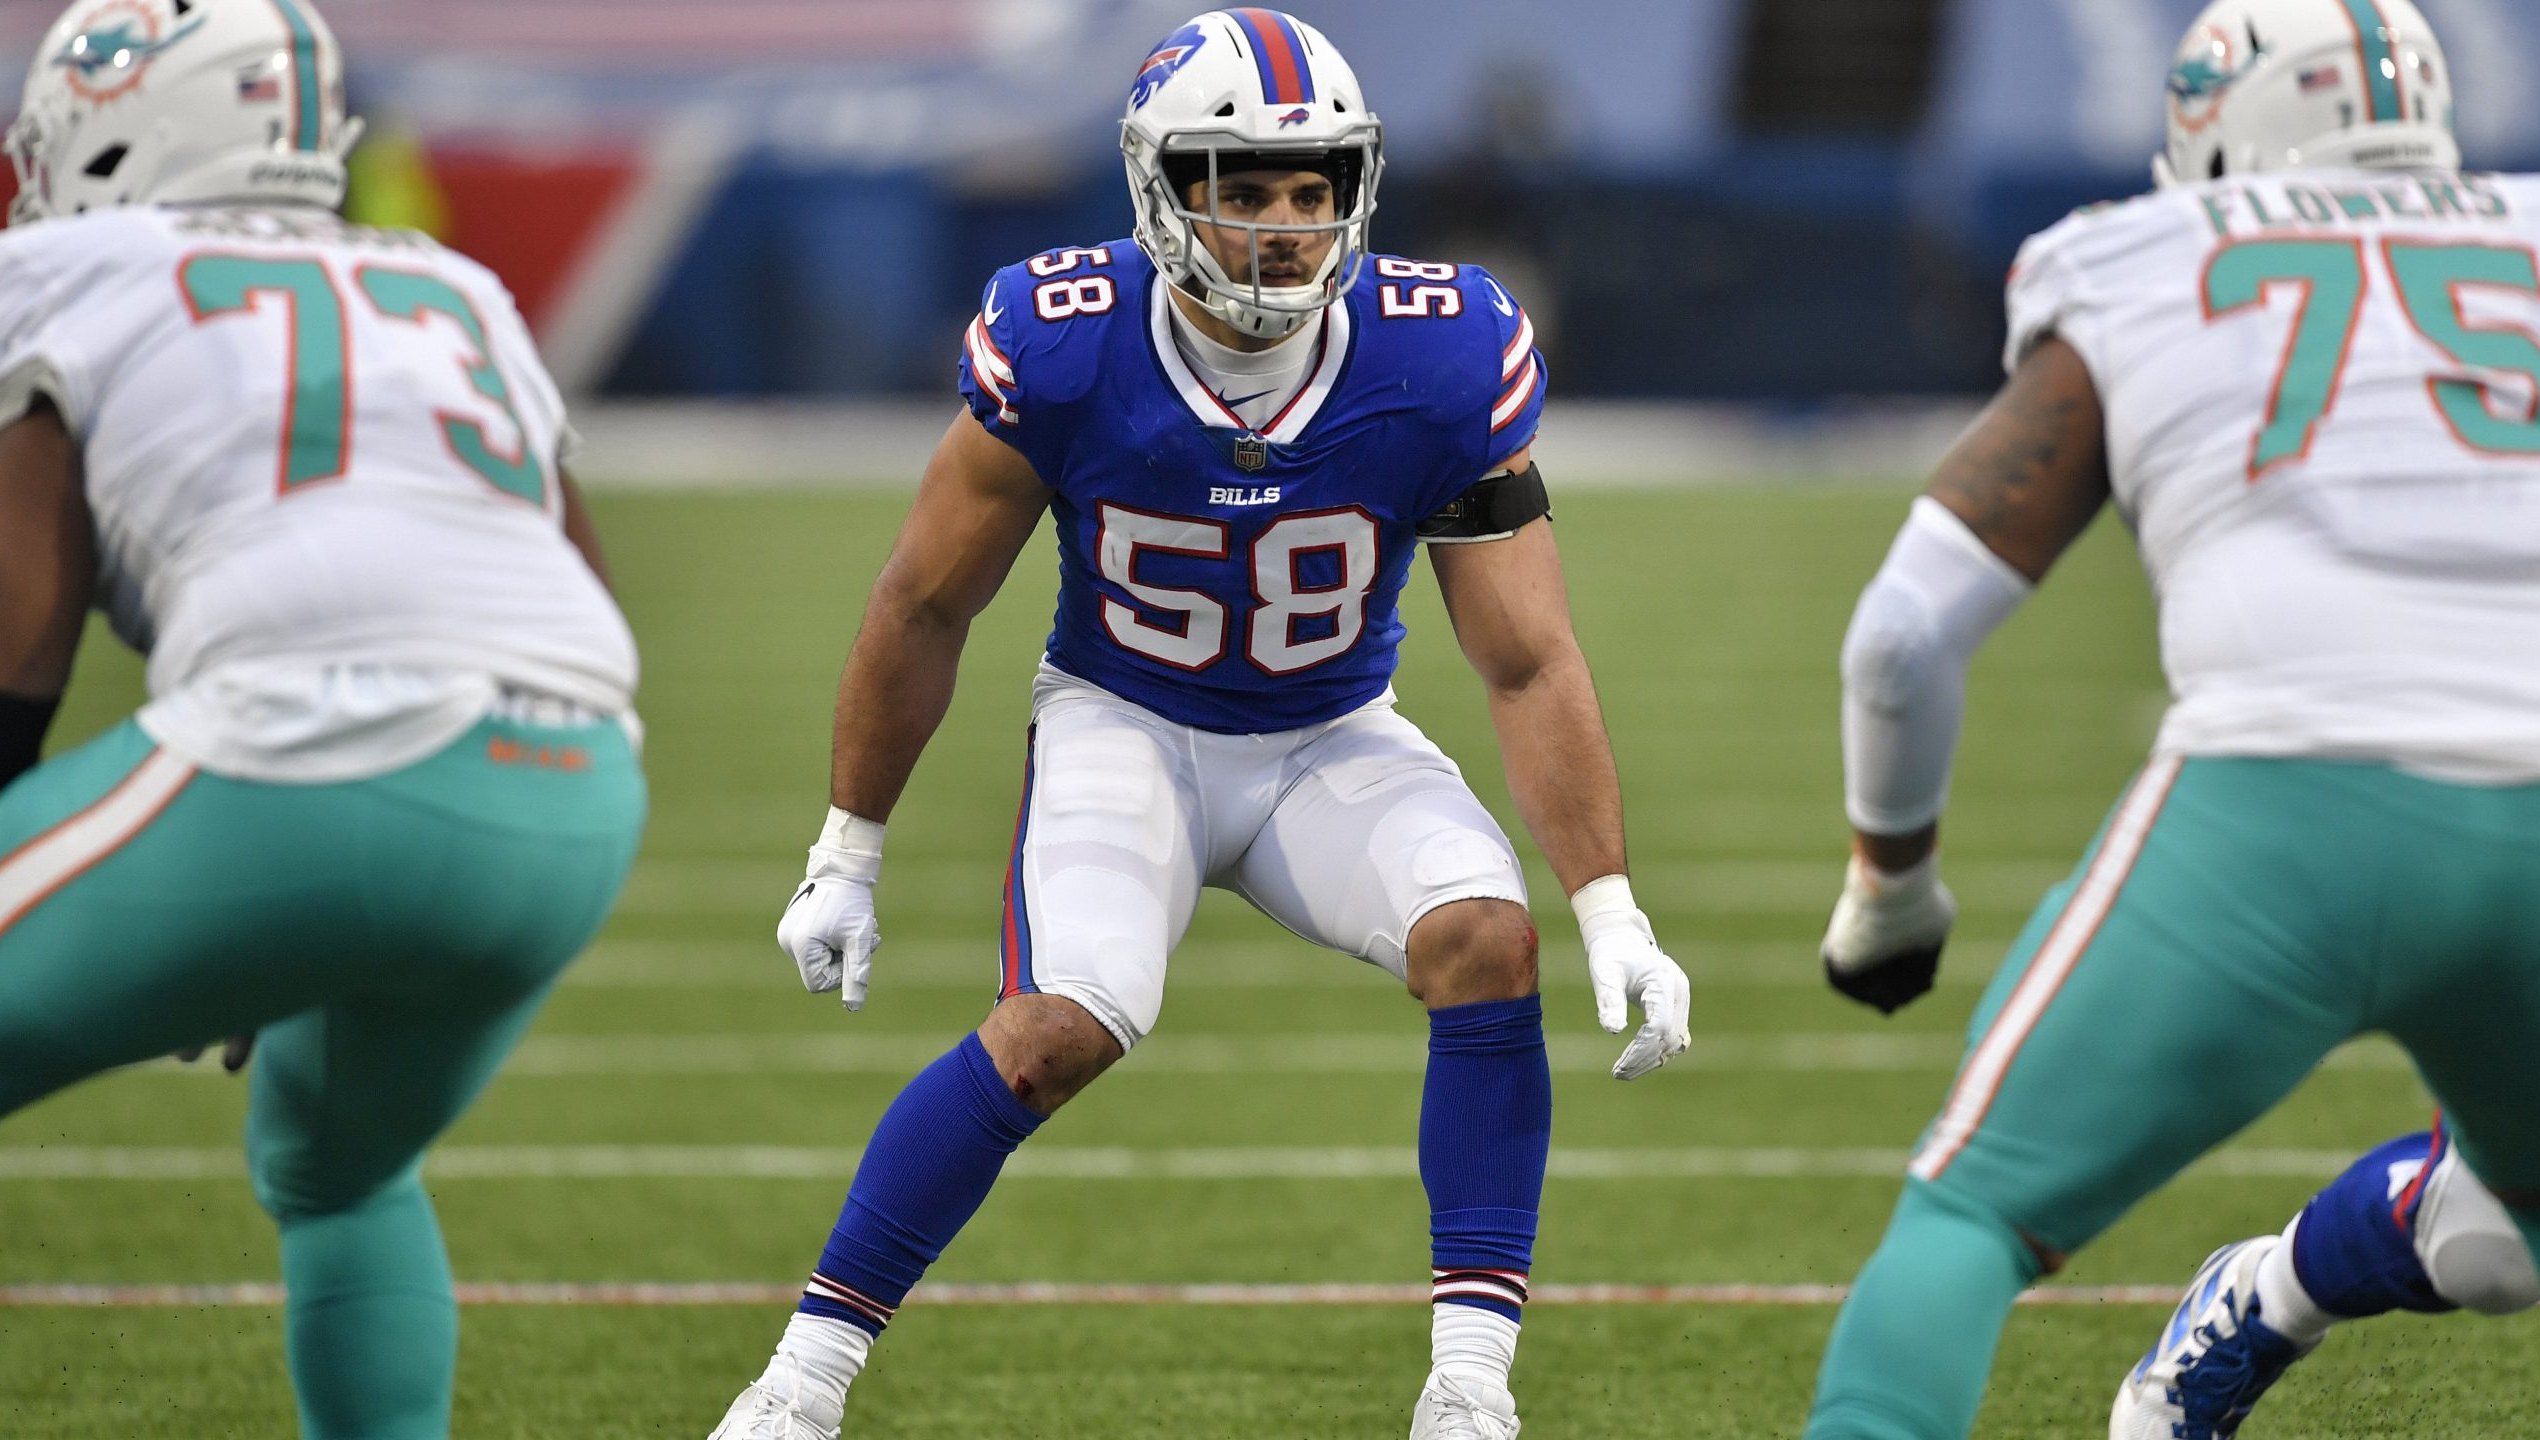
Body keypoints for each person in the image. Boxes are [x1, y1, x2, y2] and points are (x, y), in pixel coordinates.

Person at [708, 11, 1689, 1440]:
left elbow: (1528, 659)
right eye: (1241, 185)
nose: (1285, 226)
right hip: (1129, 723)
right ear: (1161, 187)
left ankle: (1470, 1392)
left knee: (1489, 940)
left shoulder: (1443, 353)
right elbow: (924, 601)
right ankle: (799, 1385)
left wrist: (1610, 906)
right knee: (1056, 1028)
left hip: (1331, 734)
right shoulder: (1064, 338)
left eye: (1311, 189)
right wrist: (846, 850)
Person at [1804, 2, 2540, 1436]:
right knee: (2507, 1247)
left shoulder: (2147, 256)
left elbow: (1900, 638)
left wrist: (1891, 897)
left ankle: (2264, 1304)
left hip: (2277, 809)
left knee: (1971, 1220)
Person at [0, 3, 645, 1436]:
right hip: (573, 784)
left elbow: (7, 628)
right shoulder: (454, 286)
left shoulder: (53, 267)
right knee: (339, 1171)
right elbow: (570, 571)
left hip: (305, 754)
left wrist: (208, 897)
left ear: (119, 122)